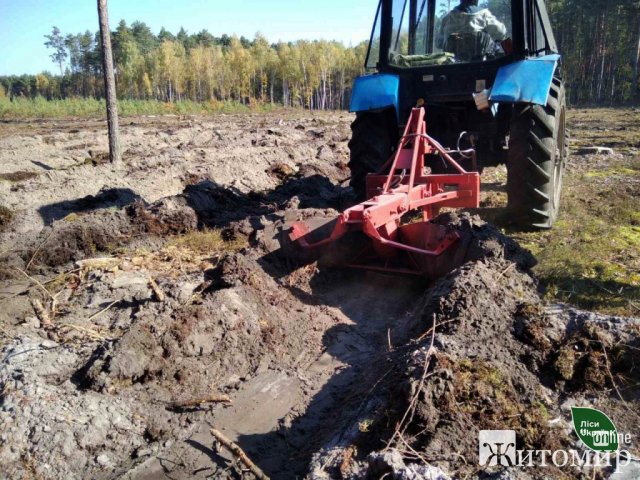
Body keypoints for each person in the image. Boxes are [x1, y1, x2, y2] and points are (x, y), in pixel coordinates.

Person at [436, 0, 507, 59]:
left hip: (452, 69)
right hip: (481, 68)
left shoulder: (446, 19)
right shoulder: (484, 15)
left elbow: (438, 44)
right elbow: (501, 33)